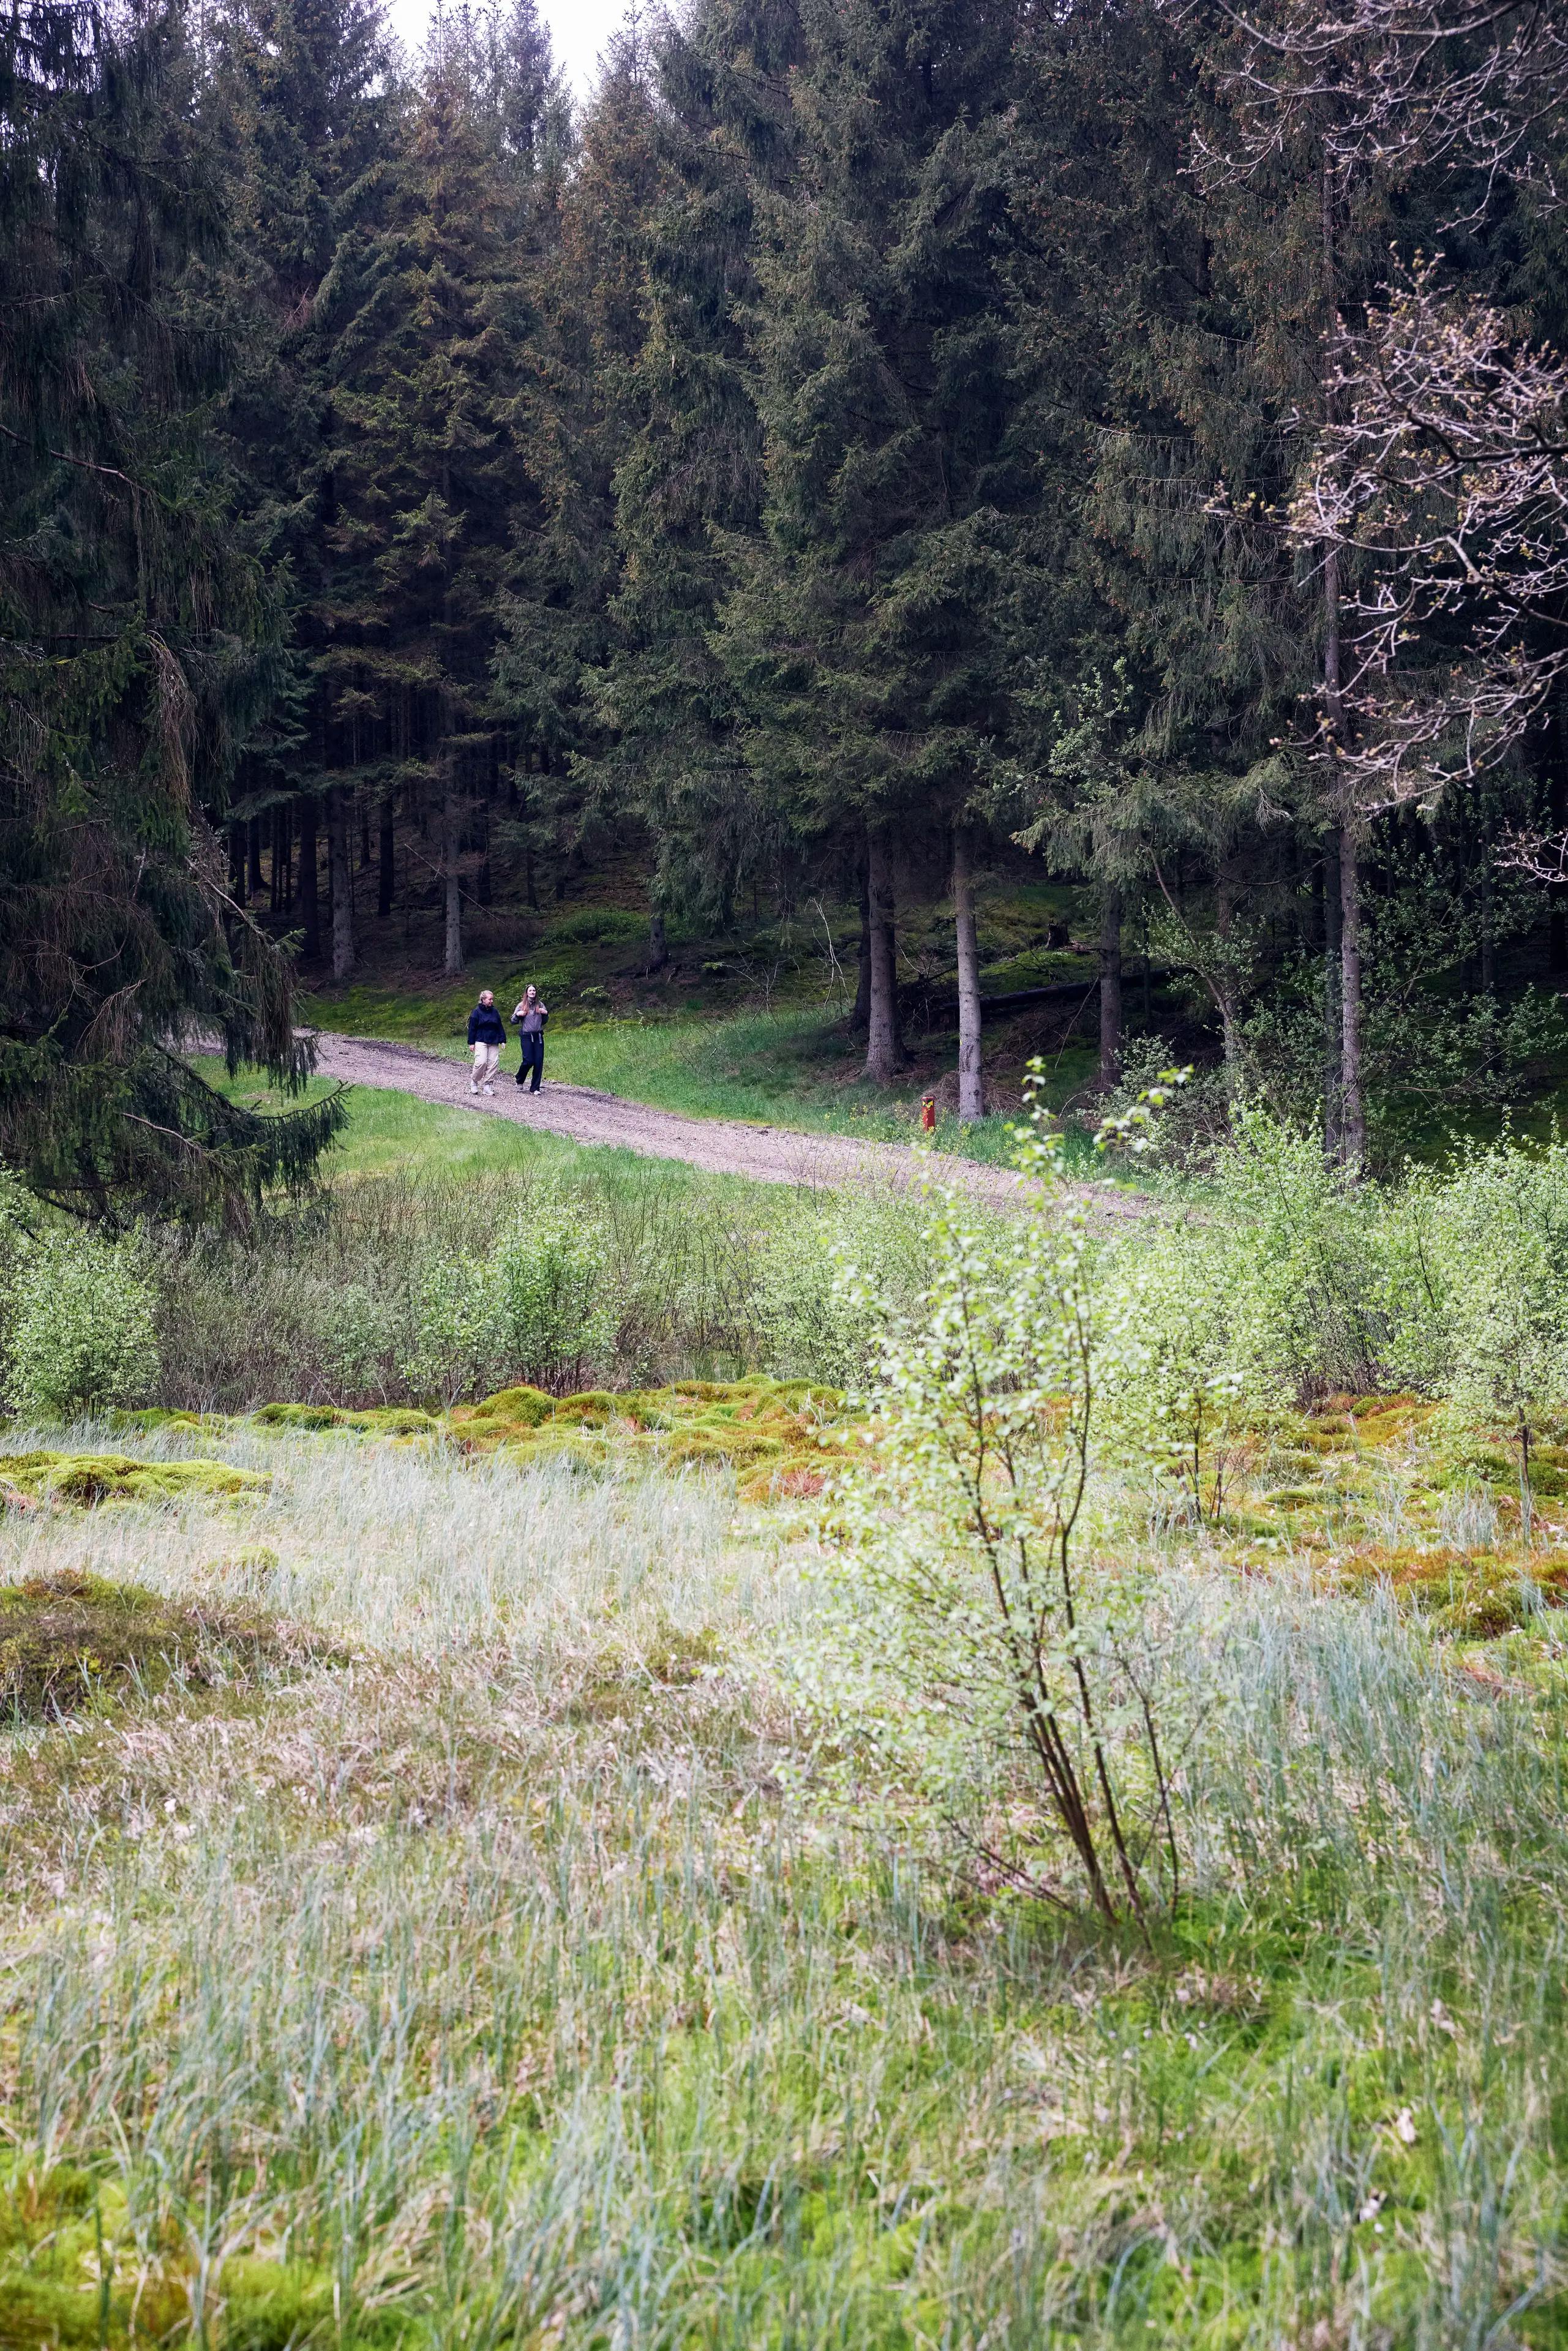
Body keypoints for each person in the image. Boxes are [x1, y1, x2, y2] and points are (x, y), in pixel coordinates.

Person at [466, 990, 506, 1095]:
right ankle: (474, 1082)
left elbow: (499, 1026)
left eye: (492, 999)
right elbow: (472, 1028)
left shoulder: (495, 1012)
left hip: (494, 1040)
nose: (492, 1001)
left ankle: (487, 1086)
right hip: (481, 1040)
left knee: (493, 1064)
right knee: (481, 1063)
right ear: (483, 1000)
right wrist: (471, 1043)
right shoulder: (477, 1012)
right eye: (490, 999)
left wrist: (502, 1040)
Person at [512, 983, 549, 1091]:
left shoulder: (541, 1005)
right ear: (527, 993)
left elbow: (545, 1021)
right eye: (530, 991)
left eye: (534, 991)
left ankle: (535, 1088)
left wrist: (546, 1014)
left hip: (538, 1037)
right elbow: (513, 1021)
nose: (532, 992)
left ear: (536, 993)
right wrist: (518, 1015)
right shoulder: (521, 1005)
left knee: (538, 1061)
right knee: (528, 1061)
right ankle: (519, 1079)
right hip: (526, 1036)